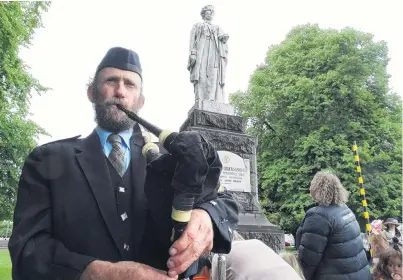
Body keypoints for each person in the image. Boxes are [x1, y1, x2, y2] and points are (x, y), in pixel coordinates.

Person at [8, 47, 239, 280]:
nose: (120, 91)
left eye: (130, 84)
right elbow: (27, 248)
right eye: (111, 81)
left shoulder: (173, 158)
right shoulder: (47, 159)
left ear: (140, 101)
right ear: (92, 93)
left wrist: (206, 215)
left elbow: (225, 202)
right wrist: (95, 272)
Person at [295, 170, 371, 280]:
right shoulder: (346, 211)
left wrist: (299, 276)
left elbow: (308, 258)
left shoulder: (318, 216)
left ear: (316, 190)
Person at [187, 5, 229, 103]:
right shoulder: (198, 25)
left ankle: (212, 99)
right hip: (201, 53)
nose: (210, 13)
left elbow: (222, 42)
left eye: (212, 11)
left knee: (213, 74)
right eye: (208, 11)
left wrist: (223, 39)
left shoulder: (217, 28)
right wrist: (193, 53)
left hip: (214, 53)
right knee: (200, 74)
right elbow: (192, 40)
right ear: (204, 13)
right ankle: (200, 99)